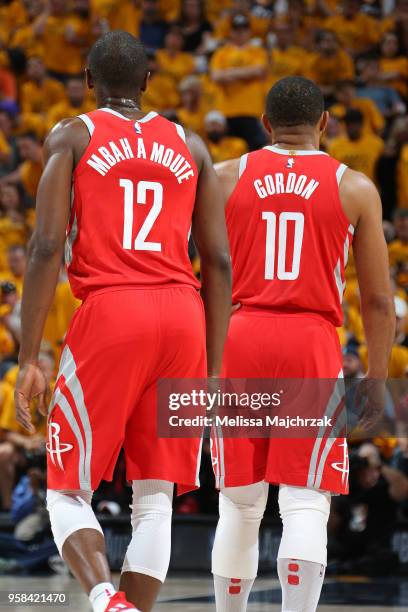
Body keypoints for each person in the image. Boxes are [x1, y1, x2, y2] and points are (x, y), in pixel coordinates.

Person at [14, 31, 231, 612]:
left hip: (113, 311)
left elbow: (43, 247)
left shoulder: (74, 135)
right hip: (184, 317)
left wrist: (28, 355)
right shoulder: (192, 145)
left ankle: (106, 598)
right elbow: (219, 262)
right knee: (155, 495)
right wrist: (212, 369)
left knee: (66, 488)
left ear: (87, 82)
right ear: (148, 85)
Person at [211, 77, 395, 612]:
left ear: (265, 124)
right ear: (324, 124)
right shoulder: (355, 186)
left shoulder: (226, 177)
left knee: (240, 504)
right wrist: (377, 378)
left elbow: (205, 274)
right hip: (309, 341)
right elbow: (379, 301)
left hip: (242, 335)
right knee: (306, 502)